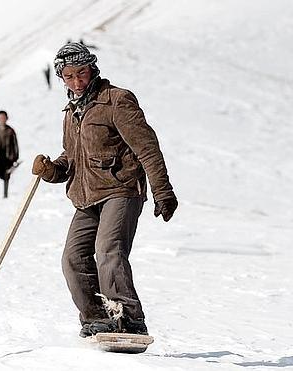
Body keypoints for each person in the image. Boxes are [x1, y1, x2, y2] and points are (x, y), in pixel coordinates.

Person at [31, 43, 178, 338]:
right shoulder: (72, 111)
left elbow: (147, 148)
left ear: (92, 68)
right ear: (61, 77)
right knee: (73, 259)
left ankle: (129, 318)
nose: (77, 82)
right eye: (69, 76)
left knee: (108, 251)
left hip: (121, 190)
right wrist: (51, 170)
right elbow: (72, 160)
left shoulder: (116, 101)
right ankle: (97, 318)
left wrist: (163, 191)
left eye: (81, 73)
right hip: (86, 198)